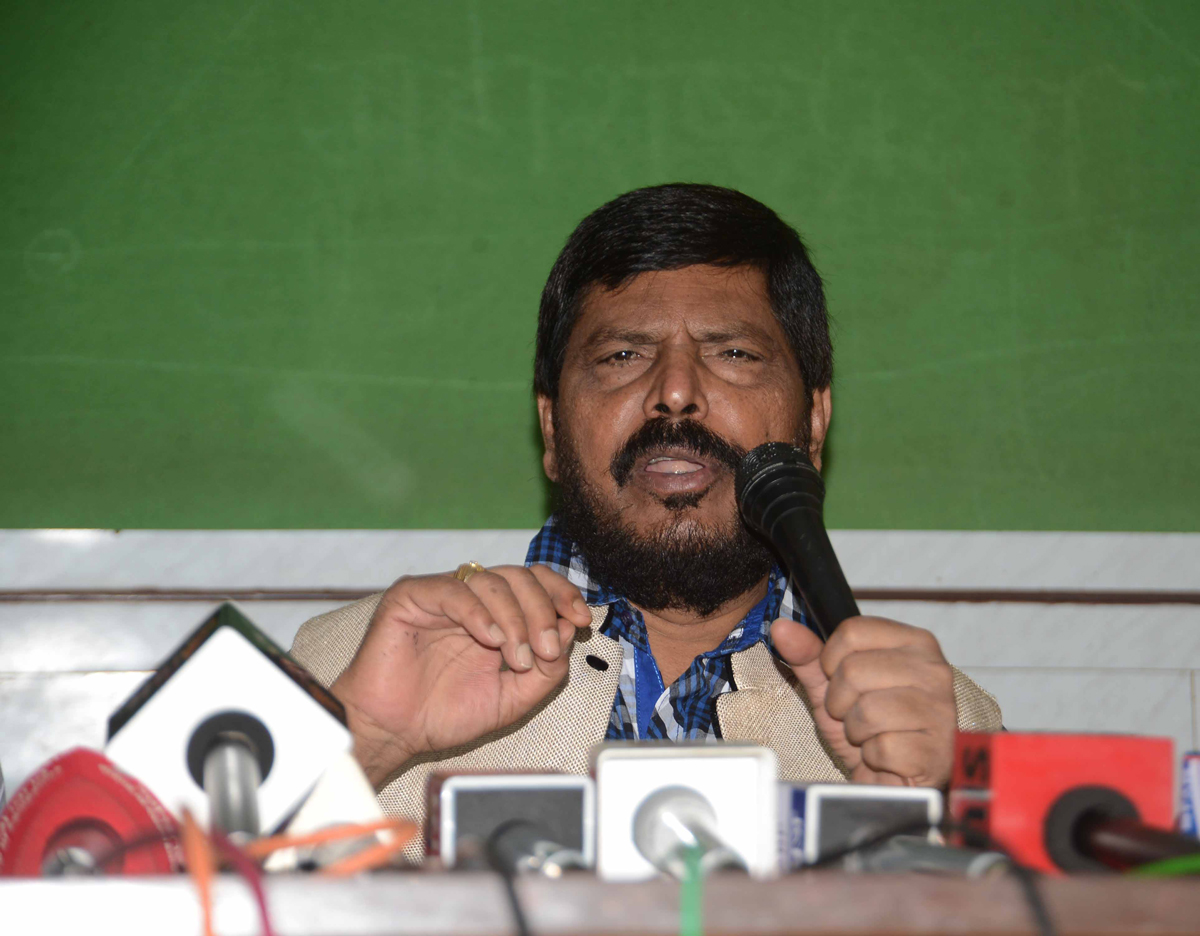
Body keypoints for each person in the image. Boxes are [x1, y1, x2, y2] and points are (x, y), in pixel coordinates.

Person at [290, 184, 1001, 852]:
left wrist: (922, 813)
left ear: (814, 423)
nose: (676, 392)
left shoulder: (945, 728)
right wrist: (369, 741)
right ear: (551, 428)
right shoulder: (354, 668)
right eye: (623, 355)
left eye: (734, 353)